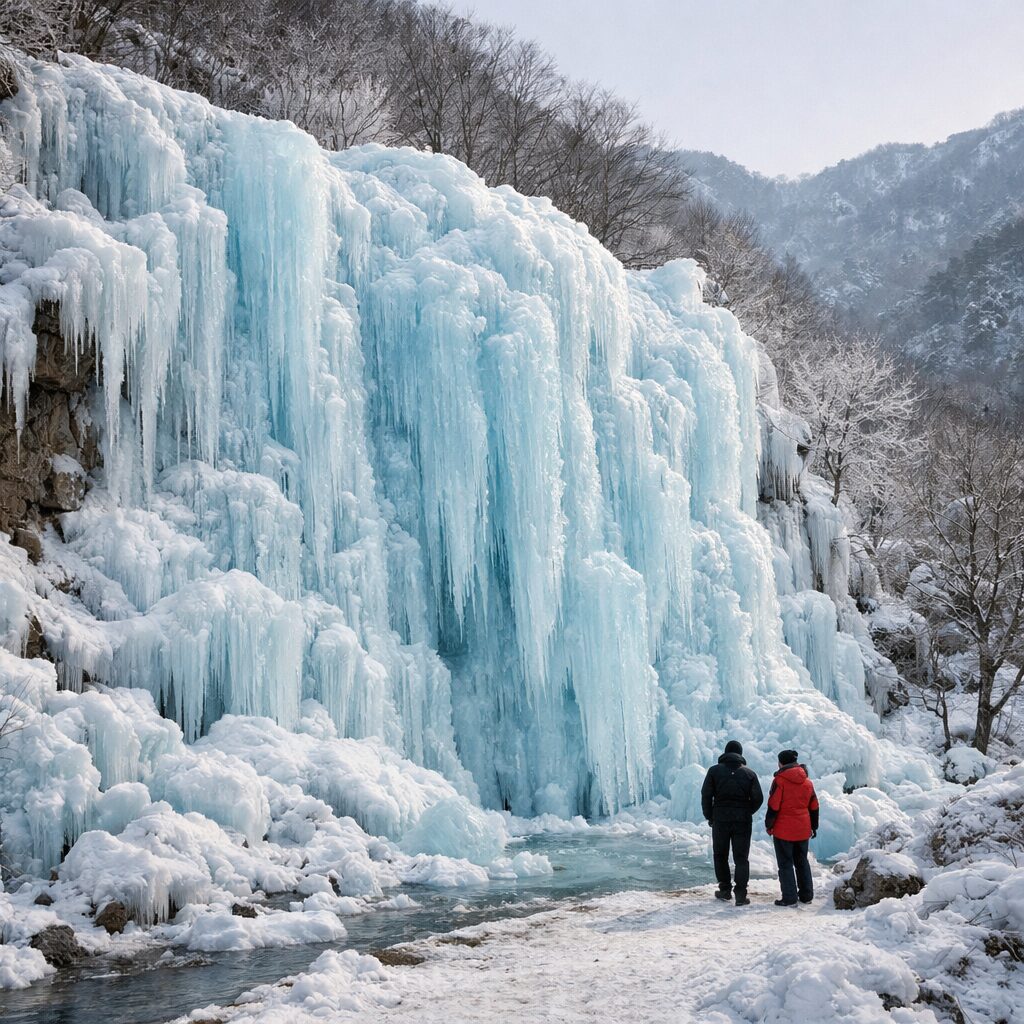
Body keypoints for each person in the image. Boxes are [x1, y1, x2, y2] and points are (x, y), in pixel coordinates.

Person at [701, 740, 763, 906]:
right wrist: (746, 811)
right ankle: (741, 895)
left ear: (726, 753)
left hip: (720, 818)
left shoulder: (714, 771)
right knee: (741, 857)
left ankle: (725, 889)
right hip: (742, 820)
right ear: (740, 755)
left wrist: (710, 816)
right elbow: (758, 798)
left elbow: (706, 795)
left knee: (720, 855)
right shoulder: (749, 774)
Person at [765, 749, 819, 907]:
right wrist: (814, 826)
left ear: (781, 763)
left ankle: (789, 897)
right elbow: (814, 806)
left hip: (783, 829)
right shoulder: (807, 782)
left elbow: (774, 805)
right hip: (803, 829)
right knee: (802, 861)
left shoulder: (780, 781)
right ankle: (806, 895)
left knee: (786, 863)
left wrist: (769, 825)